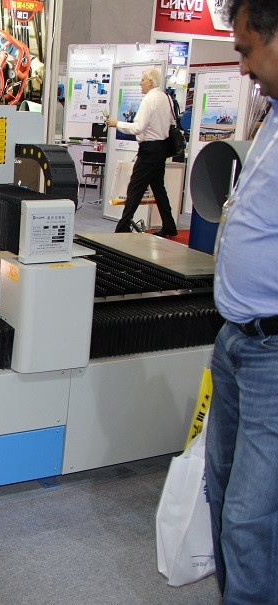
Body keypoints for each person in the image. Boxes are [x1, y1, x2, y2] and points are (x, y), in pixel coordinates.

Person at [205, 1, 278, 602]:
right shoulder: (272, 117)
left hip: (272, 354)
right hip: (233, 340)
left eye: (248, 49)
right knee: (223, 491)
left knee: (250, 518)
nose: (242, 65)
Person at [105, 68, 178, 236]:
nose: (140, 83)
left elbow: (138, 127)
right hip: (161, 148)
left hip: (149, 150)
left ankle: (123, 227)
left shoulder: (149, 99)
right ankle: (169, 225)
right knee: (158, 188)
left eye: (143, 80)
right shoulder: (166, 98)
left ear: (151, 82)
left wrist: (117, 124)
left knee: (135, 188)